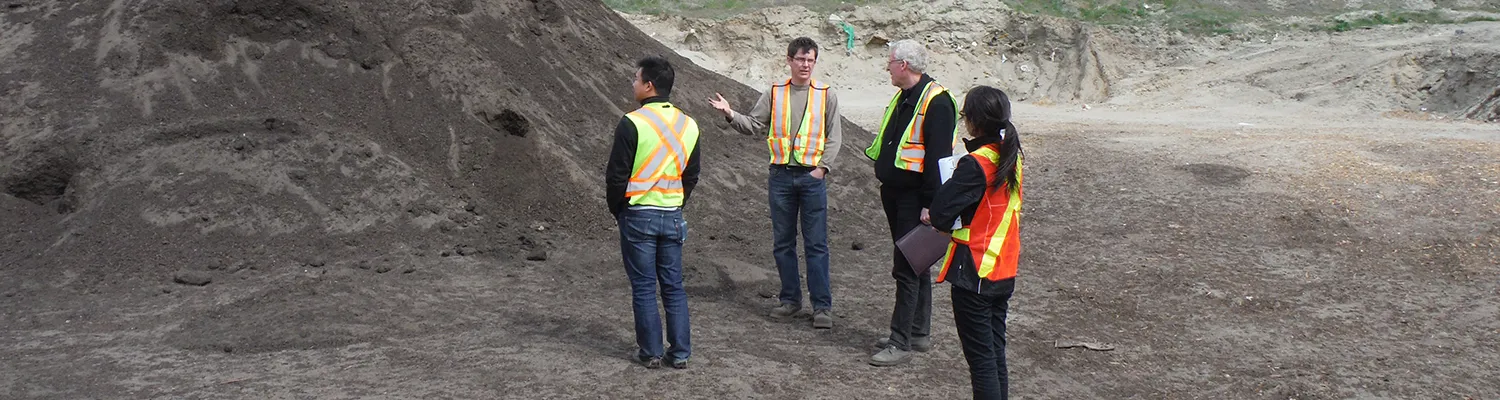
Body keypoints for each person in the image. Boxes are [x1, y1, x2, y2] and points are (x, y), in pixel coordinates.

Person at [708, 37, 842, 329]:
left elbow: (835, 136)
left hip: (811, 177)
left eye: (810, 60)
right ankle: (790, 300)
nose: (805, 65)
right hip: (780, 177)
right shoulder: (774, 93)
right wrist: (730, 114)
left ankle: (822, 308)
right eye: (800, 59)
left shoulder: (826, 95)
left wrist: (822, 169)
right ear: (789, 60)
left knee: (816, 245)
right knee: (783, 243)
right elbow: (755, 125)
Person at [865, 39, 959, 366]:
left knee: (906, 267)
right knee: (916, 264)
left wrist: (931, 204)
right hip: (895, 193)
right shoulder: (906, 96)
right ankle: (918, 332)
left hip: (915, 197)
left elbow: (939, 157)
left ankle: (900, 341)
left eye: (890, 62)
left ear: (903, 65)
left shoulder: (938, 102)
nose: (887, 66)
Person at [605, 56, 702, 369]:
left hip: (638, 214)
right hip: (672, 214)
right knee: (673, 286)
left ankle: (651, 352)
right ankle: (681, 353)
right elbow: (692, 174)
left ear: (648, 85)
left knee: (645, 287)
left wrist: (619, 209)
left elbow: (616, 175)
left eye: (635, 79)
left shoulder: (632, 122)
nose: (633, 83)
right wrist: (676, 202)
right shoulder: (689, 125)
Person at [928, 86, 1024, 399]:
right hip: (1003, 268)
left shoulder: (976, 163)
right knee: (995, 355)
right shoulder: (1011, 158)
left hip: (974, 273)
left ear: (972, 122)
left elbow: (941, 214)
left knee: (982, 362)